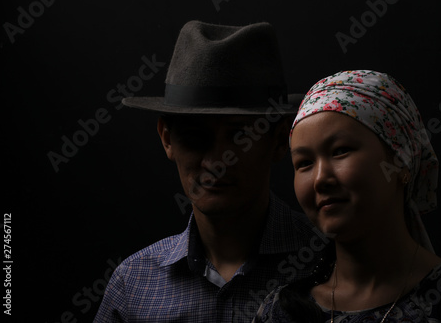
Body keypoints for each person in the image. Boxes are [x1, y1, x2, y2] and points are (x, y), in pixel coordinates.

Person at [93, 20, 328, 323]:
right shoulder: (132, 285)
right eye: (195, 137)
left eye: (240, 136)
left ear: (280, 140)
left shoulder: (335, 261)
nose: (217, 160)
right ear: (167, 139)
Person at [253, 70, 441, 322]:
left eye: (340, 151)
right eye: (304, 163)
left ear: (402, 161)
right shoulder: (281, 312)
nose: (320, 179)